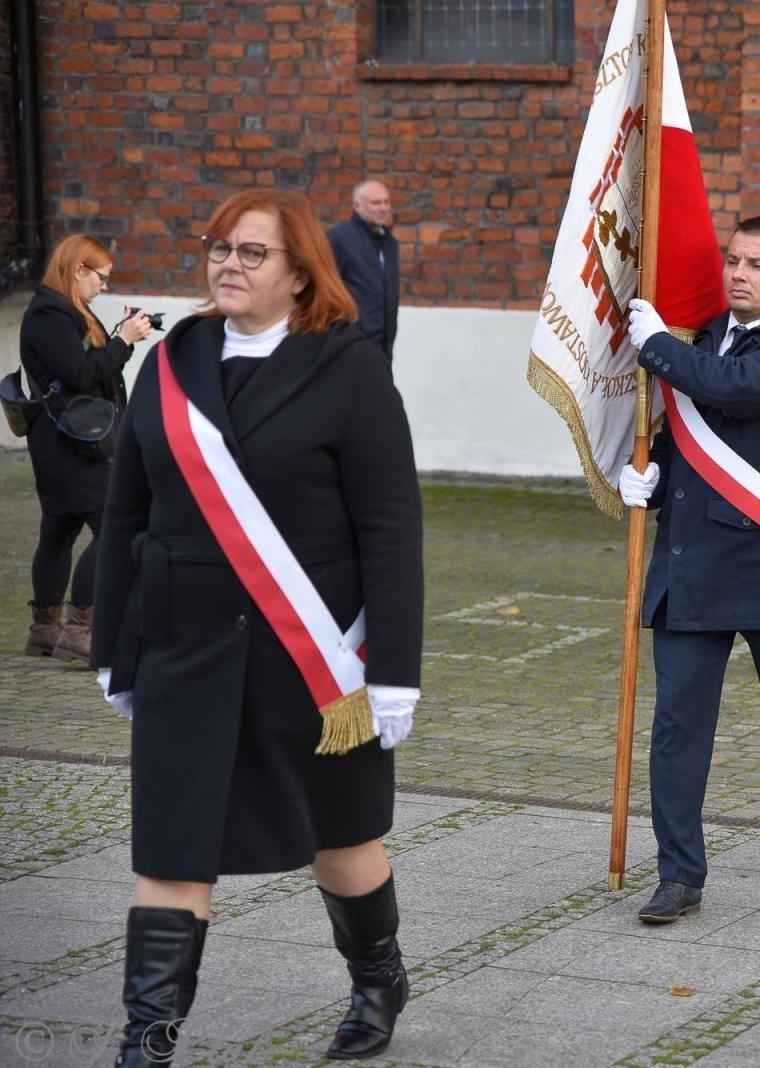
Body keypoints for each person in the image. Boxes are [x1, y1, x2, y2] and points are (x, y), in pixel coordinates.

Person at [91, 188, 424, 1065]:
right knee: (170, 851)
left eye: (252, 252)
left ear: (301, 273)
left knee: (342, 840)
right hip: (184, 647)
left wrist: (394, 673)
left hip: (311, 660)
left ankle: (378, 980)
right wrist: (114, 647)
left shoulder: (348, 369)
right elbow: (126, 511)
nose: (228, 265)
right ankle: (147, 1042)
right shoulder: (172, 363)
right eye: (219, 247)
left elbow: (391, 528)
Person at [622, 216, 760, 924]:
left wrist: (656, 344)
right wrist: (650, 478)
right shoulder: (699, 340)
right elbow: (686, 438)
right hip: (691, 563)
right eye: (733, 260)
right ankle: (679, 874)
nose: (739, 274)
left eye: (757, 264)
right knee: (678, 727)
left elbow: (734, 390)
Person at [18, 236, 153, 661]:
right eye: (102, 277)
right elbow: (80, 374)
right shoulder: (49, 314)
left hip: (64, 440)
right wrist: (122, 341)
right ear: (78, 270)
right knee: (114, 527)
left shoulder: (64, 310)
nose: (104, 286)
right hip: (71, 444)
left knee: (59, 530)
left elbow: (90, 370)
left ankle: (45, 630)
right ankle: (78, 631)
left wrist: (118, 340)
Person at [327, 178, 400, 360]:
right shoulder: (339, 239)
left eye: (386, 202)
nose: (383, 208)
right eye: (375, 203)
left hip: (383, 345)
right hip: (351, 344)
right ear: (356, 206)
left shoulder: (390, 243)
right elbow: (327, 290)